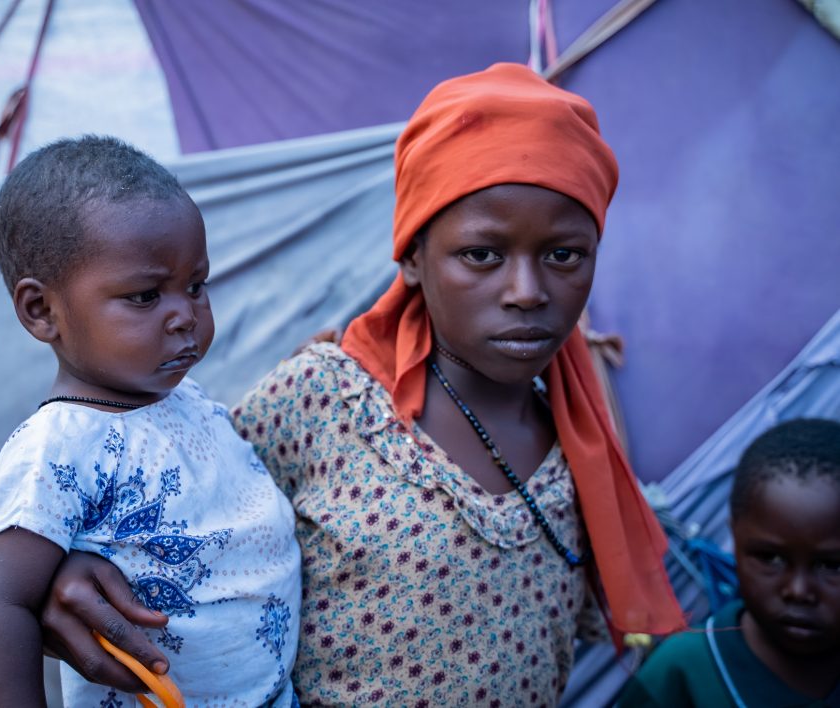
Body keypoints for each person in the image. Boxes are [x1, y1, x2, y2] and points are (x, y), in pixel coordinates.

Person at [36, 64, 686, 705]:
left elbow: (591, 622)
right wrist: (71, 565)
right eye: (482, 254)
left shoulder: (582, 448)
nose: (526, 292)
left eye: (563, 255)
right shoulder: (324, 399)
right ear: (410, 258)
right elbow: (177, 514)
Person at [0, 136, 302, 708]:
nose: (184, 316)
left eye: (195, 286)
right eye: (146, 296)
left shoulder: (184, 399)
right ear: (42, 311)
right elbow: (1, 604)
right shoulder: (59, 447)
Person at [617, 418, 840, 707]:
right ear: (735, 538)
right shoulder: (682, 672)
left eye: (832, 566)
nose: (798, 591)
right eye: (771, 559)